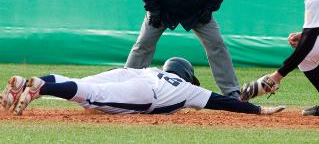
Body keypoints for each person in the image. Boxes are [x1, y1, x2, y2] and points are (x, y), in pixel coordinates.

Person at [0, 57, 284, 116]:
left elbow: (118, 71)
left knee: (83, 84)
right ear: (185, 75)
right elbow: (225, 102)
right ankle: (40, 88)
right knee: (92, 96)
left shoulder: (152, 68)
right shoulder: (188, 90)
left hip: (132, 75)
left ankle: (33, 82)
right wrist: (259, 109)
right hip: (147, 94)